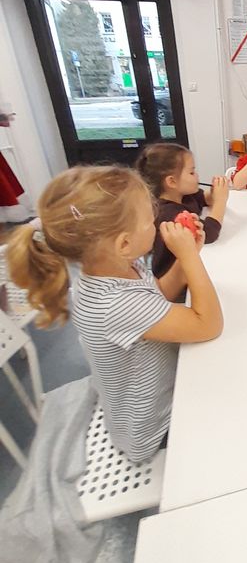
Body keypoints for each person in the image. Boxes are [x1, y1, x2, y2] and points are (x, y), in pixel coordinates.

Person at [7, 166, 223, 462]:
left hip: (148, 399)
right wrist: (187, 257)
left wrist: (188, 258)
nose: (156, 220)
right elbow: (208, 324)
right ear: (124, 243)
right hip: (154, 428)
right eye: (150, 218)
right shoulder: (115, 303)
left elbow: (156, 295)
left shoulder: (117, 268)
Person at [137, 143, 229, 279]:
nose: (197, 176)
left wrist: (215, 193)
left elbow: (203, 199)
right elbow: (209, 234)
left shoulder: (184, 195)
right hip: (176, 280)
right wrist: (220, 201)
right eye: (191, 172)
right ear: (172, 181)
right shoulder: (168, 213)